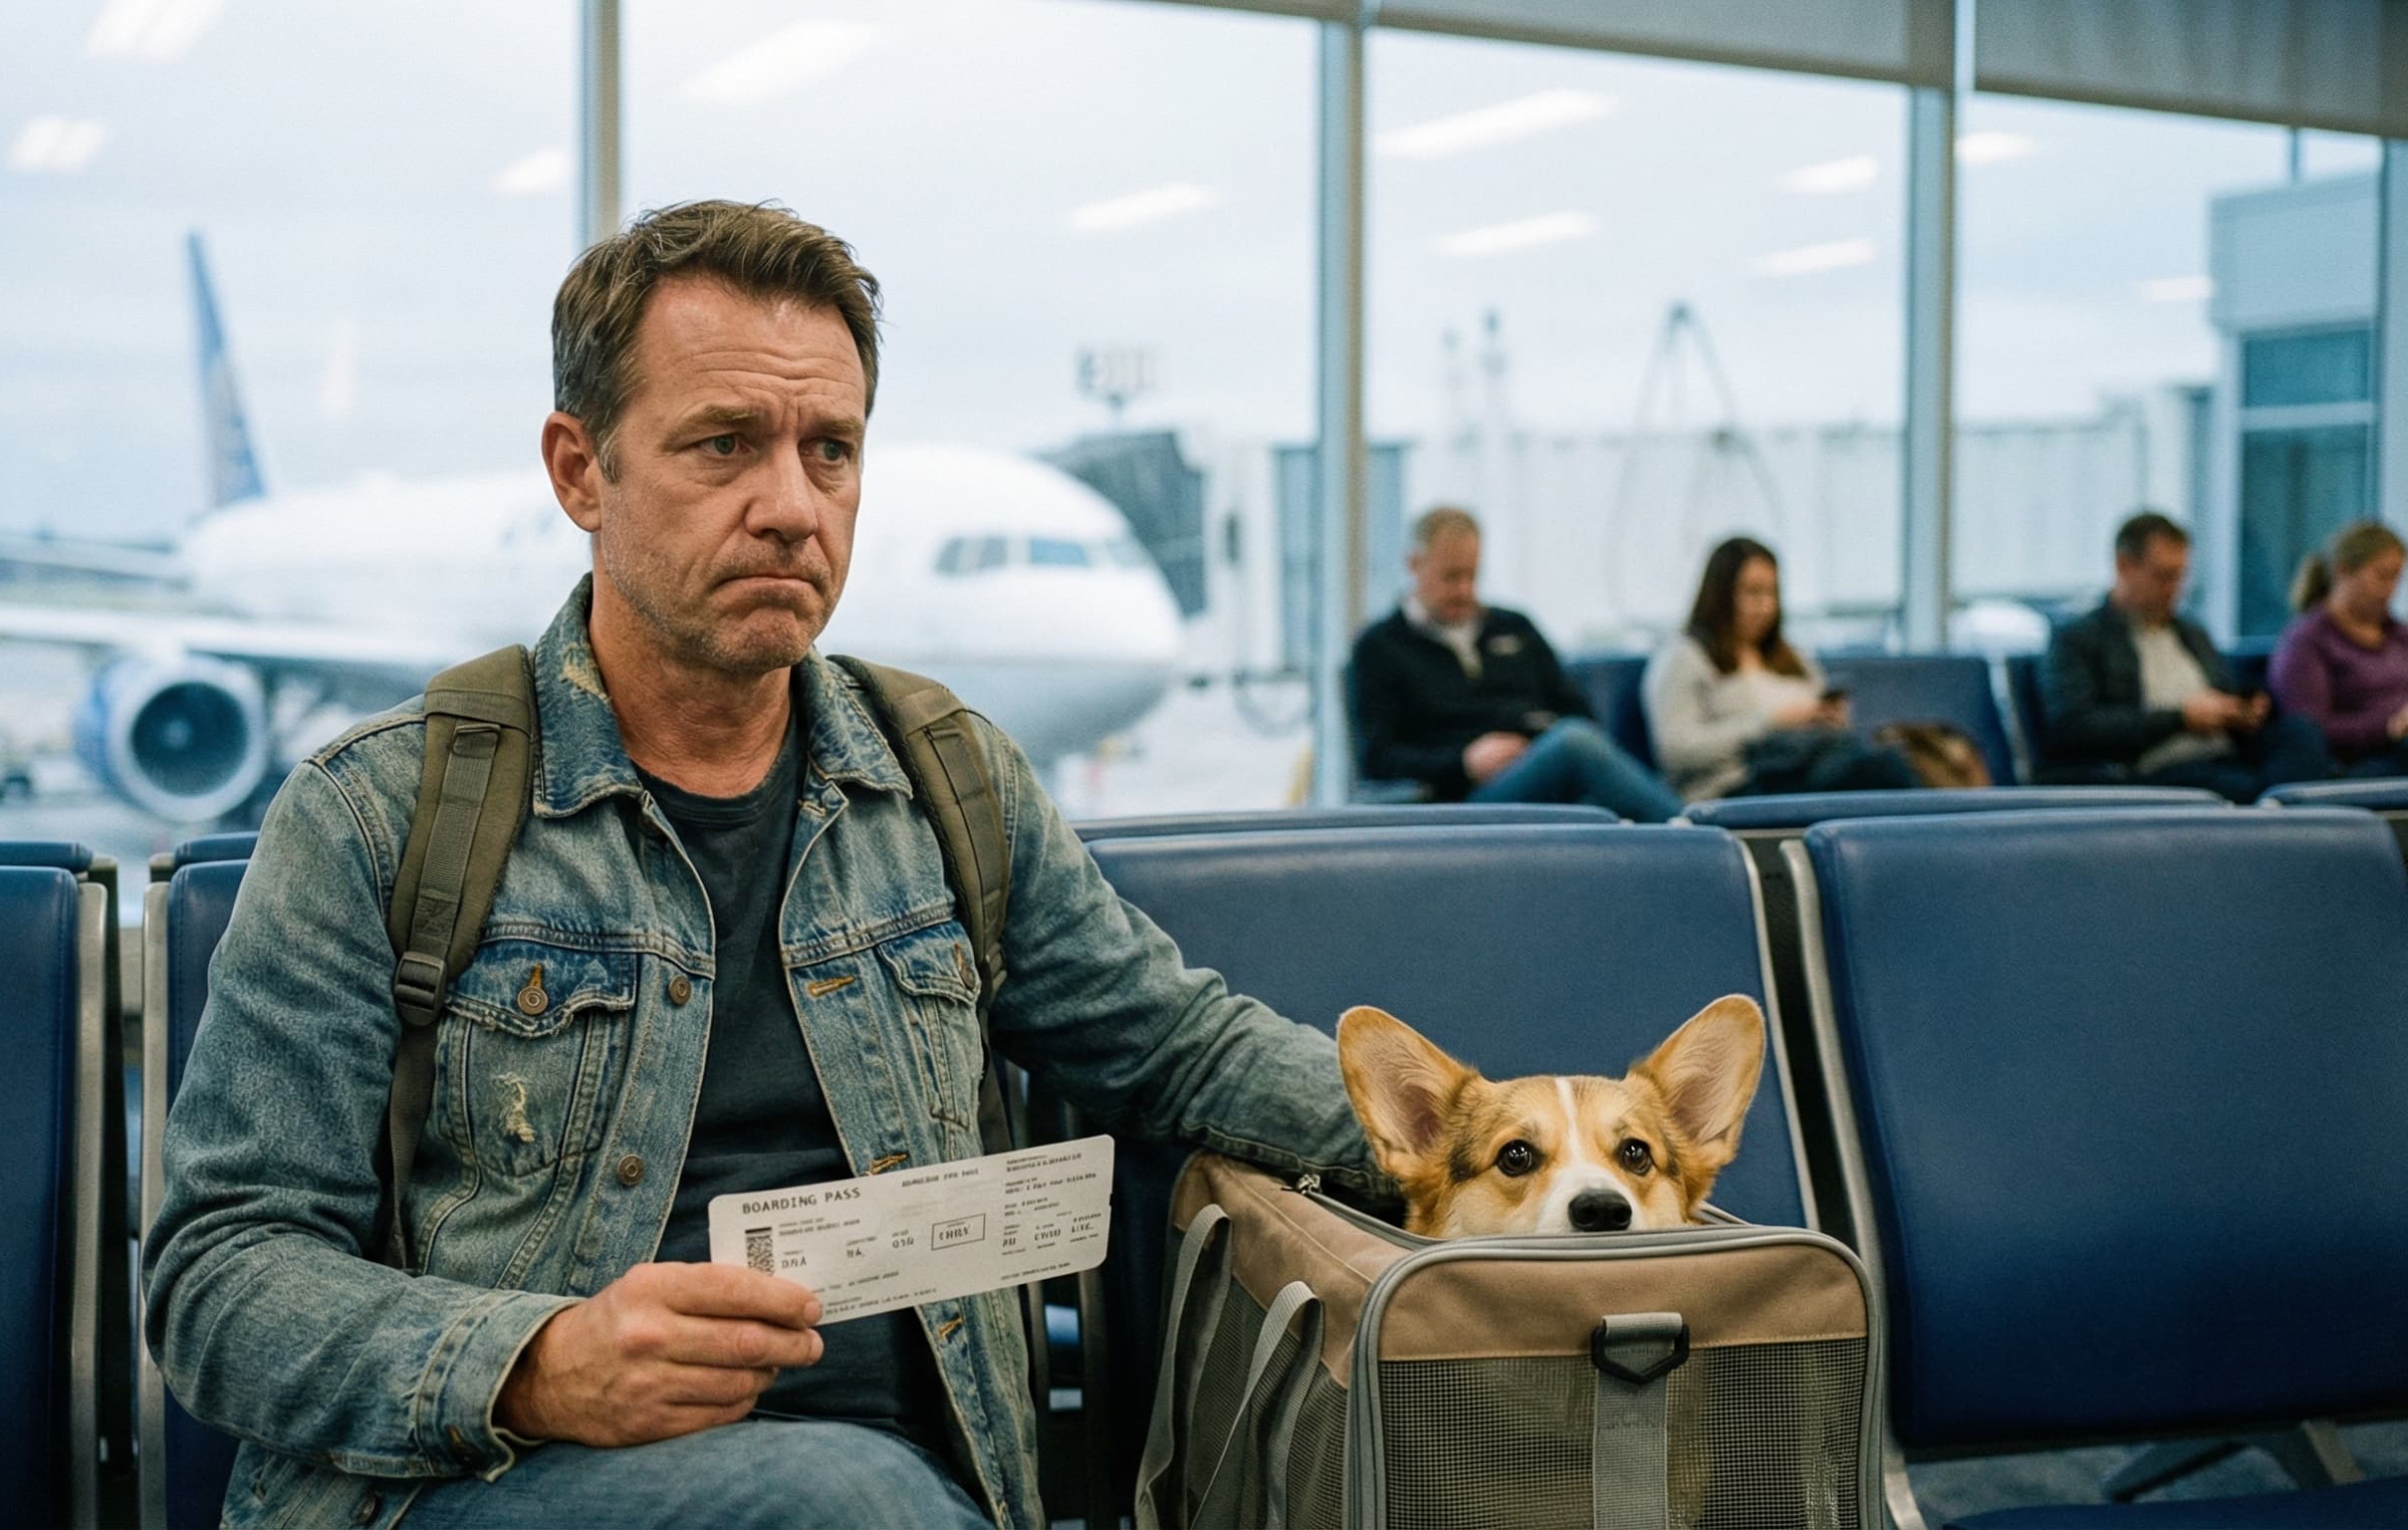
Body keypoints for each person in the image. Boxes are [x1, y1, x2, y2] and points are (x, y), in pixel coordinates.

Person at [144, 201, 1385, 1530]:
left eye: (830, 451)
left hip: (924, 1489)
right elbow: (220, 1279)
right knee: (842, 1501)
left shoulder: (943, 783)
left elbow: (1181, 1050)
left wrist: (1512, 1141)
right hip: (489, 1479)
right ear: (580, 472)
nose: (792, 507)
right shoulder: (381, 815)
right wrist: (536, 1363)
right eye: (723, 447)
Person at [1347, 506, 1681, 821]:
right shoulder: (1380, 647)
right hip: (1460, 798)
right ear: (1414, 565)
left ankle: (1678, 843)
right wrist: (1464, 762)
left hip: (1542, 764)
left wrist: (1535, 737)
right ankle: (1695, 832)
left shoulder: (1514, 628)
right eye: (1451, 577)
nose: (1464, 590)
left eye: (1472, 575)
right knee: (1575, 745)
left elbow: (1579, 712)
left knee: (1586, 765)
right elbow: (1378, 758)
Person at [2039, 510, 2326, 802]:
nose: (2175, 588)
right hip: (2154, 768)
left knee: (2301, 733)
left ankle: (2276, 810)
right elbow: (2073, 728)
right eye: (2164, 576)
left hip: (2225, 753)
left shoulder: (2191, 632)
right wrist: (2180, 719)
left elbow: (2222, 693)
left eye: (2181, 575)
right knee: (2245, 786)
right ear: (2124, 566)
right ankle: (2277, 813)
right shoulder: (2077, 637)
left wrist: (2242, 710)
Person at [1644, 536, 1914, 801]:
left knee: (1888, 759)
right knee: (1883, 769)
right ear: (1720, 595)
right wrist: (1770, 724)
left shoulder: (1790, 657)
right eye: (1752, 592)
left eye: (1771, 593)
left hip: (1807, 767)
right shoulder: (1685, 657)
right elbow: (1676, 752)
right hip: (1737, 786)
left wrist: (1827, 719)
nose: (1765, 606)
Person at [2269, 522, 2408, 778]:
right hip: (2364, 760)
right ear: (2342, 572)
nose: (2391, 588)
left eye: (2397, 576)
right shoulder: (2306, 640)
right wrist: (2393, 725)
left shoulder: (2402, 634)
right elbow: (2309, 732)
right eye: (2382, 575)